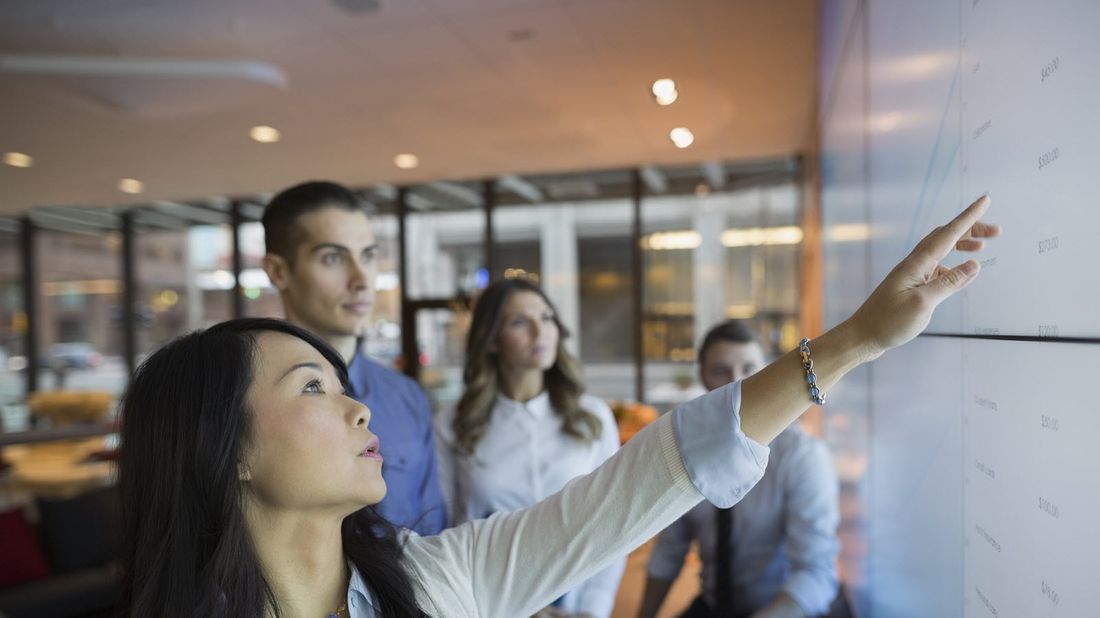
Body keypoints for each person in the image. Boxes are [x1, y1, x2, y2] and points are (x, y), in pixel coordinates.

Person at [117, 197, 998, 617]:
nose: (362, 413)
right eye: (313, 389)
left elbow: (653, 474)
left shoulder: (433, 583)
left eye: (348, 388)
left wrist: (858, 341)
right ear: (223, 448)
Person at [260, 180, 447, 535]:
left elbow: (433, 535)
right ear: (279, 271)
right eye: (333, 258)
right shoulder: (250, 400)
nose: (362, 280)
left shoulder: (405, 398)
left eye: (368, 256)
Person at [434, 277, 625, 618]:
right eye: (520, 322)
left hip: (578, 602)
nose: (541, 332)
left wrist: (594, 609)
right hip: (488, 603)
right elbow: (446, 530)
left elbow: (613, 521)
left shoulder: (592, 417)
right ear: (491, 340)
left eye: (547, 317)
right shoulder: (453, 424)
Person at [639, 321, 839, 618]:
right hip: (712, 605)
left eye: (749, 369)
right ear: (702, 376)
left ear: (769, 372)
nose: (737, 384)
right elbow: (669, 551)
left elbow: (816, 574)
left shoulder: (800, 455)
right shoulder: (686, 451)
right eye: (720, 371)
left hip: (784, 609)